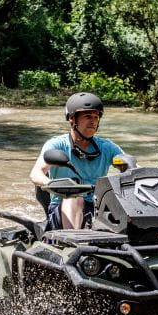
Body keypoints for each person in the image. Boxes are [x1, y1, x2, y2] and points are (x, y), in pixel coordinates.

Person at [29, 92, 124, 230]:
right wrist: (52, 184)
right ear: (72, 119)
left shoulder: (107, 147)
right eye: (88, 116)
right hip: (63, 207)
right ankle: (72, 239)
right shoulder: (56, 145)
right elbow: (36, 174)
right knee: (74, 197)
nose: (93, 121)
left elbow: (132, 168)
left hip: (97, 208)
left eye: (96, 117)